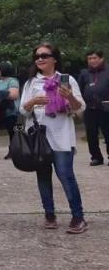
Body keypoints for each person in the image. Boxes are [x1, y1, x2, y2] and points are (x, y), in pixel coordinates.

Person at [20, 42, 88, 233]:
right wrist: (32, 102)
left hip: (61, 136)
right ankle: (49, 215)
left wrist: (70, 98)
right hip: (39, 137)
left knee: (66, 175)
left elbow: (79, 109)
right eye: (37, 56)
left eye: (44, 56)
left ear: (54, 59)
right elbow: (22, 111)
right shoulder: (32, 83)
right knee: (43, 176)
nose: (40, 59)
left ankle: (78, 217)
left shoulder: (67, 80)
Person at [78, 49, 109, 166]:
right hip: (89, 108)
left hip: (106, 108)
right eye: (89, 59)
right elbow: (80, 89)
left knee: (108, 133)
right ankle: (96, 157)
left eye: (94, 58)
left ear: (101, 58)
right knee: (91, 134)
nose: (92, 61)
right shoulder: (84, 73)